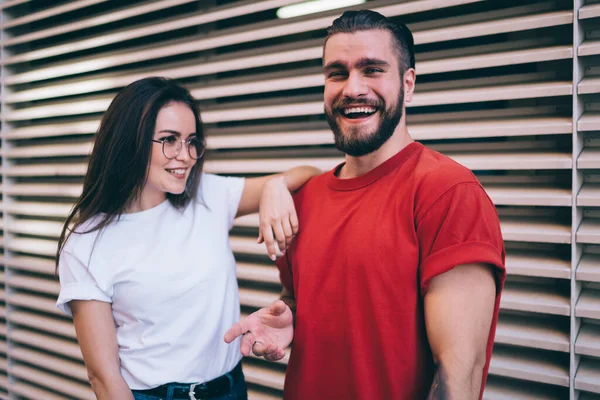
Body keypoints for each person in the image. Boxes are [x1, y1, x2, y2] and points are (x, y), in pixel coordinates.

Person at [224, 10, 506, 400]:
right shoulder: (305, 199)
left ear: (408, 85)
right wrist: (290, 318)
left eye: (372, 69)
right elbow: (322, 302)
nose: (352, 88)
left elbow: (459, 373)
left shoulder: (447, 192)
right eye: (337, 73)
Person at [55, 77, 320, 400]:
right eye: (169, 140)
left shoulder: (207, 195)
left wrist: (275, 186)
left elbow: (311, 175)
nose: (186, 156)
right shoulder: (86, 243)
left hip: (230, 389)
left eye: (191, 141)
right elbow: (104, 376)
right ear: (130, 141)